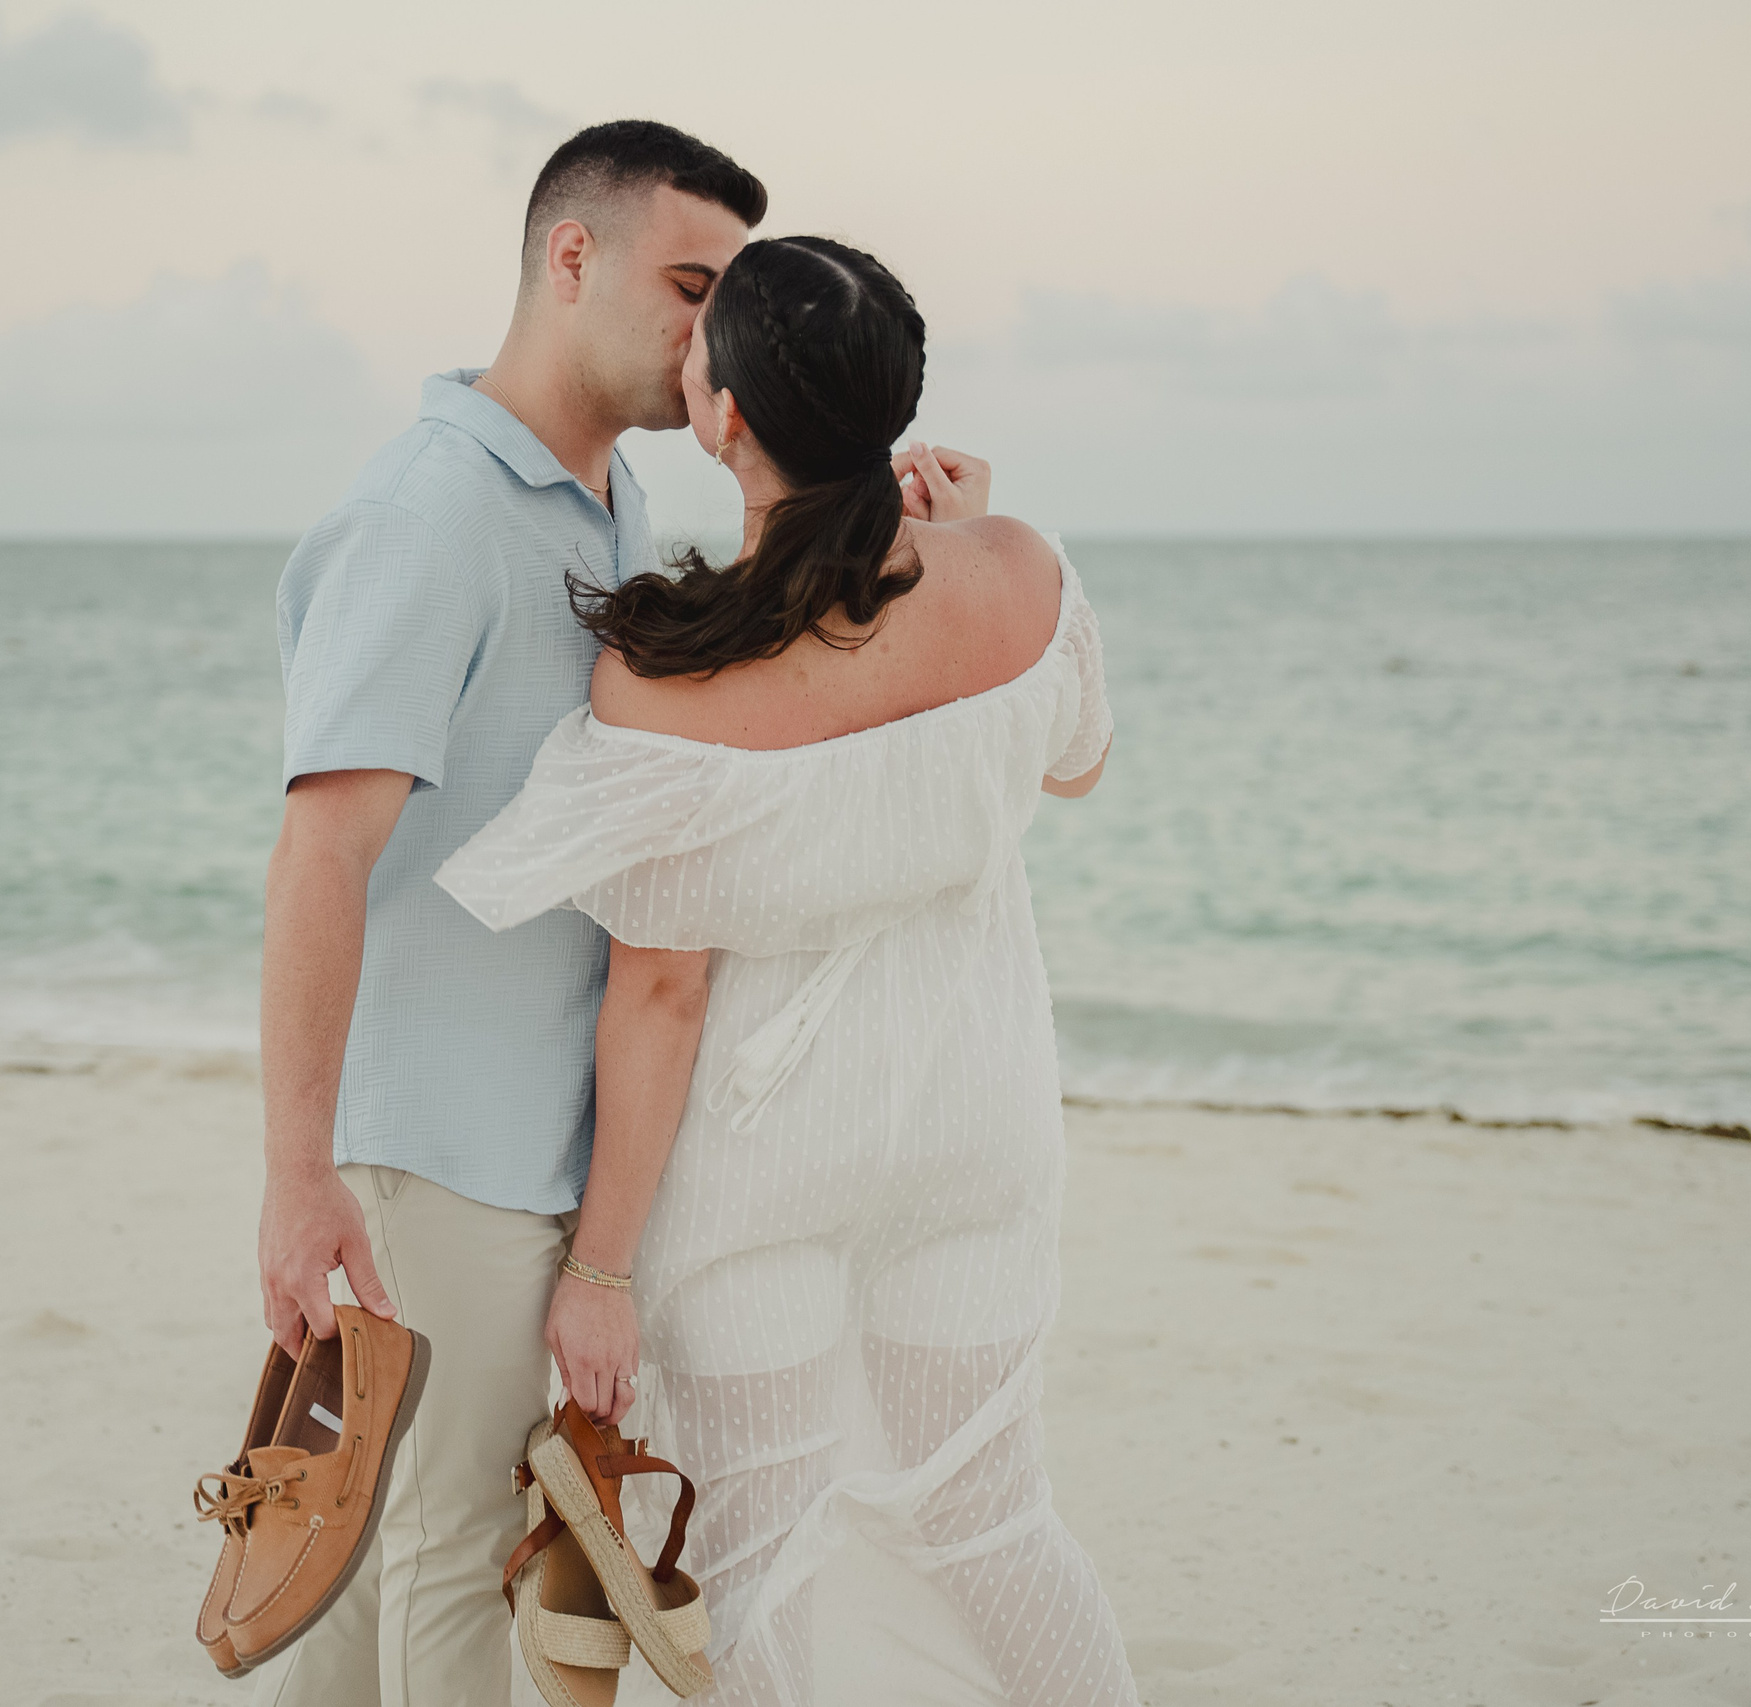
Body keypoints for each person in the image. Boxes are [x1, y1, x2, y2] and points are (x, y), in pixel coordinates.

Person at [435, 237, 1142, 1704]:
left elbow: (661, 992)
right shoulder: (1022, 576)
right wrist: (982, 534)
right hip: (972, 1126)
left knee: (758, 1543)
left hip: (765, 1173)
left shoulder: (667, 672)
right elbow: (1076, 762)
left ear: (725, 418)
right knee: (996, 1517)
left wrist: (603, 1271)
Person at [252, 121, 764, 1707]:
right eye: (691, 285)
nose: (712, 335)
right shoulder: (434, 510)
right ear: (570, 260)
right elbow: (320, 854)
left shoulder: (605, 509)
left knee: (342, 1575)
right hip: (435, 1152)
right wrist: (297, 1179)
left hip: (526, 1139)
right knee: (452, 1556)